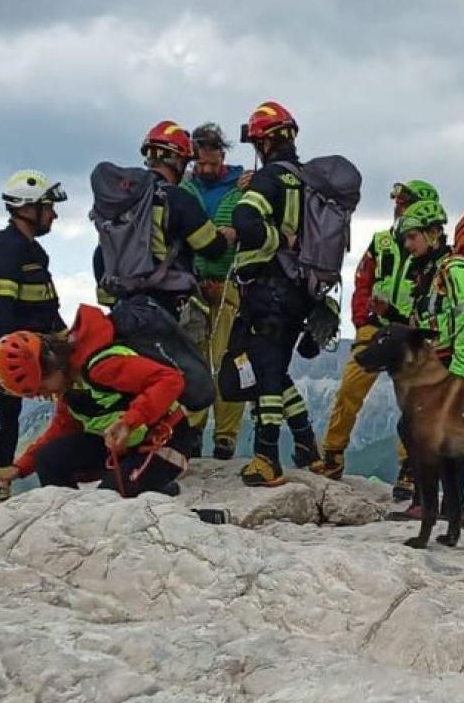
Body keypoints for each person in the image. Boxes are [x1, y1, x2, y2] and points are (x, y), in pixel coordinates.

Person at [93, 120, 232, 456]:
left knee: (137, 380)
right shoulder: (175, 199)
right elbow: (209, 245)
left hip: (123, 310)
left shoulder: (120, 203)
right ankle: (178, 451)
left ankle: (129, 449)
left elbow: (101, 256)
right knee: (184, 381)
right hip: (166, 309)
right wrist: (226, 235)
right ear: (179, 160)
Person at [310, 179, 441, 491]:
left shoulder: (431, 250)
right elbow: (363, 279)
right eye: (396, 201)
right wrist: (361, 320)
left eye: (405, 201)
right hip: (376, 325)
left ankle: (409, 467)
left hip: (410, 330)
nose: (398, 206)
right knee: (350, 387)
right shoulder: (382, 241)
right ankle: (333, 454)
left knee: (413, 398)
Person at [0, 304, 194, 497]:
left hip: (165, 439)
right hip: (125, 444)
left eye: (41, 388)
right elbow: (61, 429)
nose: (42, 396)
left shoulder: (102, 367)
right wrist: (19, 467)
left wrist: (130, 421)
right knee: (48, 459)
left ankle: (200, 516)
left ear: (52, 365)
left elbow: (170, 380)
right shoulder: (68, 387)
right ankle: (70, 520)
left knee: (108, 501)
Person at [226, 101, 321, 487]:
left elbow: (244, 220)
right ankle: (306, 444)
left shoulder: (269, 180)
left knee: (263, 372)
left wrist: (274, 238)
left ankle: (267, 458)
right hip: (301, 291)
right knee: (276, 370)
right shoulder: (309, 179)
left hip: (268, 291)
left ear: (263, 142)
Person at [0, 170, 67, 508]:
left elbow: (46, 310)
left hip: (28, 354)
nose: (53, 213)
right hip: (9, 357)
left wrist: (68, 346)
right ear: (29, 208)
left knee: (4, 425)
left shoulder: (30, 252)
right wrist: (9, 365)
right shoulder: (4, 250)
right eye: (48, 206)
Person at [393, 198, 464, 520]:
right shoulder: (427, 273)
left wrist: (458, 375)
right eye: (406, 238)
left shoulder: (456, 269)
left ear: (433, 234)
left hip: (449, 370)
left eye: (413, 237)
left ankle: (446, 509)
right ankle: (439, 506)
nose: (408, 244)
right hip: (432, 370)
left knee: (443, 439)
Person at [181, 122, 247, 461]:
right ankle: (191, 430)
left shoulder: (242, 185)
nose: (205, 169)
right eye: (200, 163)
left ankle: (225, 437)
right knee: (193, 361)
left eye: (211, 163)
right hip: (192, 286)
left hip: (230, 286)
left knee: (227, 362)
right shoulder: (184, 186)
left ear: (223, 155)